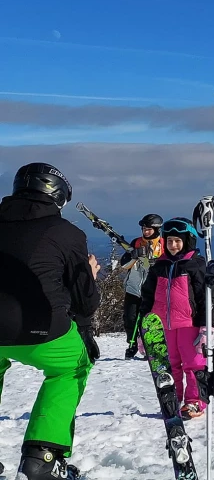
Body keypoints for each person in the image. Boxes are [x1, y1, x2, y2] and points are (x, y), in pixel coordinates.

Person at [0, 163, 100, 480]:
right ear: (57, 196)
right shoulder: (67, 233)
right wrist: (92, 279)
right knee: (70, 368)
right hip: (41, 328)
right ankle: (42, 457)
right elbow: (84, 298)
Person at [139, 217, 208, 419]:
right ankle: (172, 400)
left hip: (189, 325)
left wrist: (205, 327)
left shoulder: (194, 265)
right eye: (169, 241)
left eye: (178, 241)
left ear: (187, 241)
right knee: (169, 366)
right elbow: (147, 298)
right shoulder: (159, 266)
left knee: (193, 364)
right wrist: (145, 330)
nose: (173, 245)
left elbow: (204, 297)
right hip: (162, 327)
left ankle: (194, 402)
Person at [119, 213, 165, 359]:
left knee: (150, 319)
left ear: (157, 229)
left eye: (149, 229)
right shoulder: (136, 243)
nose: (145, 232)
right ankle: (132, 344)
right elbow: (124, 265)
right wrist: (133, 255)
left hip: (153, 290)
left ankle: (151, 346)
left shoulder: (163, 245)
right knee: (130, 318)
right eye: (144, 228)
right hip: (134, 288)